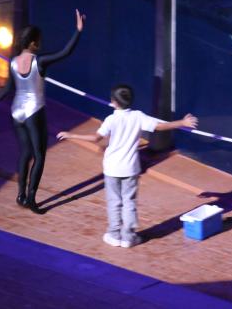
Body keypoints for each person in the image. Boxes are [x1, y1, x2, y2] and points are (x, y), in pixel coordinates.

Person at [56, 84, 198, 248]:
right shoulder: (138, 116)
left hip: (112, 169)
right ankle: (128, 237)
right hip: (130, 169)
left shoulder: (111, 119)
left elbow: (95, 138)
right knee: (129, 202)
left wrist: (71, 134)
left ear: (113, 102)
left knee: (114, 201)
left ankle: (114, 234)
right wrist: (183, 122)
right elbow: (159, 126)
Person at [0, 9, 85, 213]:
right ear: (33, 43)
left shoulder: (13, 62)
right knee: (39, 156)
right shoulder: (39, 61)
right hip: (34, 111)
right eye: (39, 40)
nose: (41, 43)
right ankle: (31, 199)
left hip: (16, 111)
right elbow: (65, 53)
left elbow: (8, 87)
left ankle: (20, 194)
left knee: (25, 153)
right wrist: (78, 31)